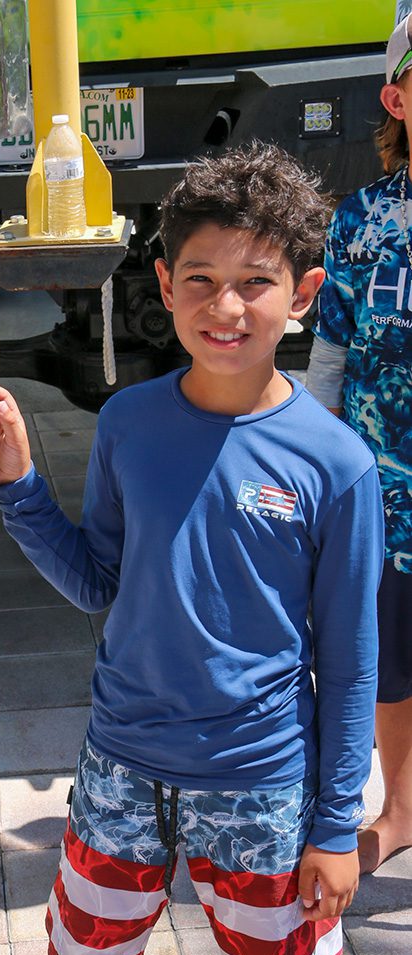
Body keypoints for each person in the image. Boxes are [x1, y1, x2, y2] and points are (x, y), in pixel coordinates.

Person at [0, 142, 384, 955]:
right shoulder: (126, 423)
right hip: (118, 771)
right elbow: (97, 582)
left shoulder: (338, 465)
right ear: (165, 286)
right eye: (201, 279)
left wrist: (338, 825)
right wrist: (21, 486)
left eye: (256, 282)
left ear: (305, 294)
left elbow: (350, 663)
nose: (226, 307)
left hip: (262, 787)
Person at [306, 14, 412, 877]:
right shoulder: (363, 222)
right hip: (389, 508)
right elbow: (330, 363)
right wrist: (318, 481)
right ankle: (403, 808)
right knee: (393, 668)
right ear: (397, 97)